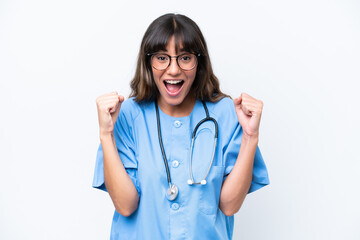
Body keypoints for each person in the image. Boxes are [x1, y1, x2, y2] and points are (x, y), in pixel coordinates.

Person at [93, 13, 269, 240]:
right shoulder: (128, 115)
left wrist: (251, 136)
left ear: (199, 62)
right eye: (162, 58)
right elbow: (126, 205)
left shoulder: (225, 113)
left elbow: (229, 205)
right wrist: (106, 134)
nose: (174, 69)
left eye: (185, 58)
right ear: (148, 62)